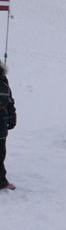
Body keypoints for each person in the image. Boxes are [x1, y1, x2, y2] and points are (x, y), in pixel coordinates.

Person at [0, 62, 16, 190]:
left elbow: (10, 102)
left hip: (1, 122)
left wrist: (12, 118)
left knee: (0, 152)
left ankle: (1, 181)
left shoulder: (4, 81)